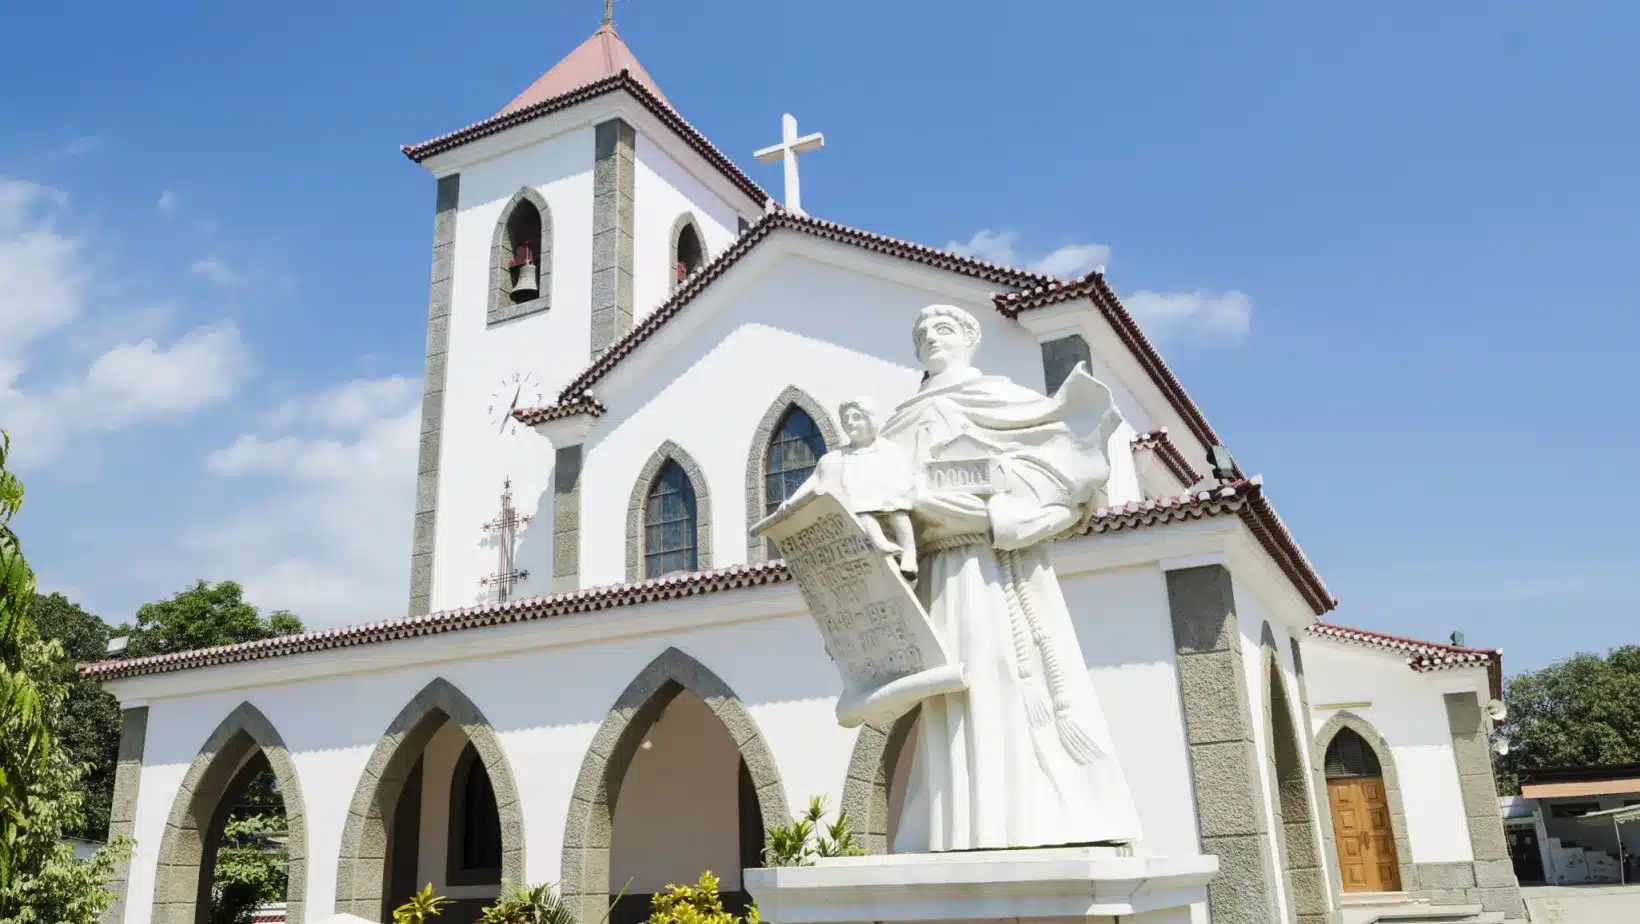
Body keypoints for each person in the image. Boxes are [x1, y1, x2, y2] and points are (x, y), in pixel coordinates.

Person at [878, 303, 1141, 851]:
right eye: (921, 332)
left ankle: (1027, 817)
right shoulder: (898, 423)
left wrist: (997, 518)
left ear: (970, 339)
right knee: (951, 693)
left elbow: (1071, 483)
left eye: (943, 328)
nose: (930, 337)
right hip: (936, 574)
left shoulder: (1002, 400)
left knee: (1005, 676)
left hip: (997, 570)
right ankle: (956, 824)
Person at [780, 397, 919, 581]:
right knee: (862, 514)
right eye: (846, 420)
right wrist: (791, 500)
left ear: (870, 420)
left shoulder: (887, 448)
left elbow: (903, 470)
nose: (850, 423)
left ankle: (909, 553)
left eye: (856, 418)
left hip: (890, 497)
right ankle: (880, 542)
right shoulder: (838, 456)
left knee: (899, 514)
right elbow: (815, 479)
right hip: (861, 502)